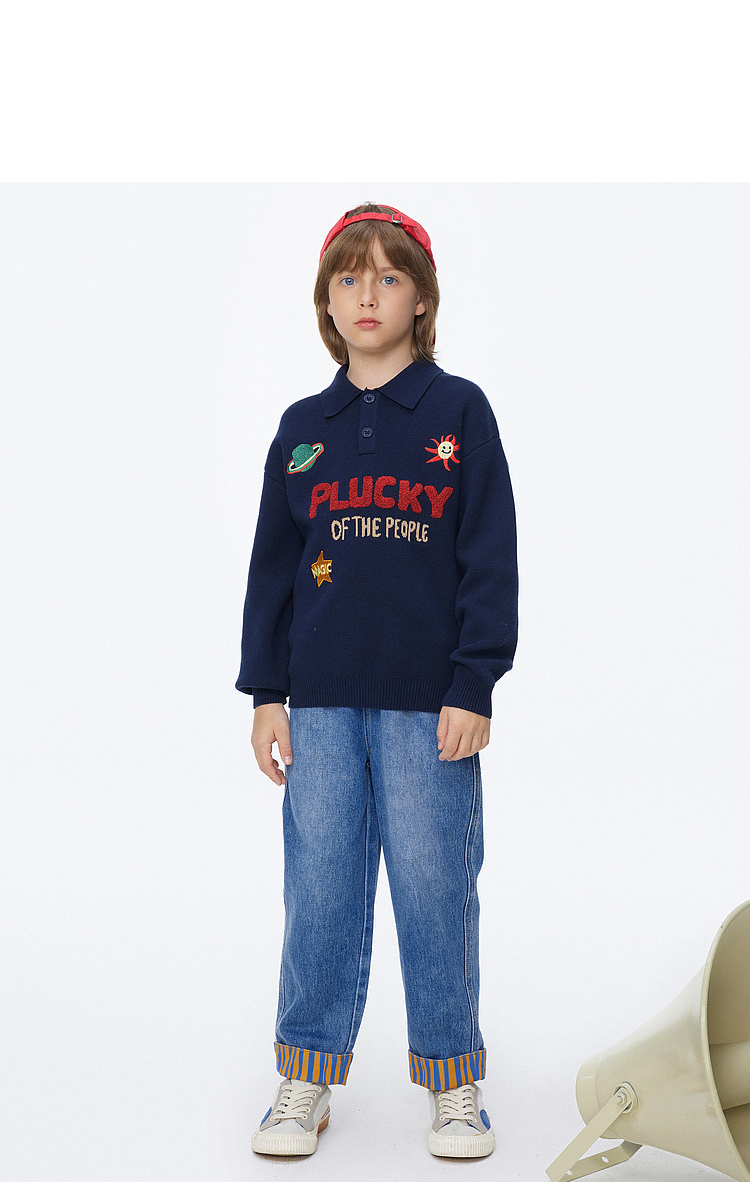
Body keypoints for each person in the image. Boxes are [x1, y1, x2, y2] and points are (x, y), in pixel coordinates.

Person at [235, 202, 518, 1159]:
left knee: (437, 889)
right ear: (325, 301)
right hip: (316, 703)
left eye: (388, 278)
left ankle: (453, 1082)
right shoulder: (301, 429)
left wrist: (474, 684)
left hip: (428, 707)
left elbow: (489, 557)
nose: (367, 295)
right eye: (349, 279)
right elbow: (272, 572)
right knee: (319, 887)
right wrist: (266, 696)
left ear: (421, 299)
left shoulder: (459, 413)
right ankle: (304, 1078)